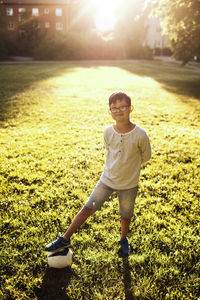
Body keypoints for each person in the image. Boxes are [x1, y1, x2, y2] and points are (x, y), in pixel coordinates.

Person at [45, 92, 151, 256]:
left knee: (125, 214)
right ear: (109, 111)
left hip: (129, 184)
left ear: (130, 108)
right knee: (87, 207)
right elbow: (109, 150)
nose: (118, 110)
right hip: (107, 179)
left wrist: (129, 169)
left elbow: (146, 157)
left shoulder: (140, 135)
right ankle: (65, 238)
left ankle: (123, 239)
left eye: (122, 106)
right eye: (113, 108)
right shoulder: (108, 132)